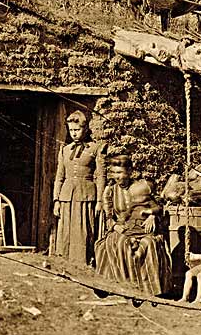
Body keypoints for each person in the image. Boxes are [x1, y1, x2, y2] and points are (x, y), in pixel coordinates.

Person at [52, 110, 106, 266]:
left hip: (86, 195)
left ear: (85, 129)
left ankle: (82, 263)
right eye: (71, 130)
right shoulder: (65, 150)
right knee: (66, 231)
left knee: (83, 230)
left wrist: (100, 201)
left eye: (77, 129)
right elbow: (59, 177)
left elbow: (101, 176)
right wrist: (56, 200)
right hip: (66, 196)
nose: (74, 133)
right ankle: (64, 264)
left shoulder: (95, 148)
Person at [117, 179, 170, 295]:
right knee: (124, 239)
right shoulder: (133, 203)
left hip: (143, 229)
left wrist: (150, 212)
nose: (137, 201)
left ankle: (151, 286)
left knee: (148, 239)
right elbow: (127, 213)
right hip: (133, 227)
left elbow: (158, 209)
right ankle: (125, 280)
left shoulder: (150, 202)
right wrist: (121, 220)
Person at [95, 155, 134, 282]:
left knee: (149, 244)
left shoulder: (139, 187)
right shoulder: (110, 190)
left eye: (120, 172)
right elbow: (109, 217)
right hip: (119, 227)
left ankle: (144, 284)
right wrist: (115, 226)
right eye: (114, 173)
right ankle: (121, 281)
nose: (117, 176)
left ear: (129, 172)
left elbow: (151, 204)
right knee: (112, 243)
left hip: (139, 226)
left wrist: (151, 216)